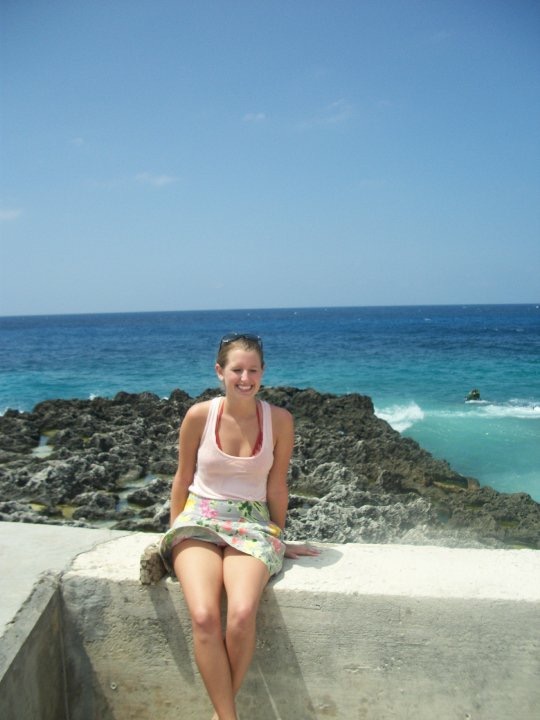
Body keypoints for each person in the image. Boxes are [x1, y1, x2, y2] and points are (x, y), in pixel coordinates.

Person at [159, 332, 319, 720]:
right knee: (204, 616)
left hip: (252, 523)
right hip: (199, 519)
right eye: (236, 370)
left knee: (243, 614)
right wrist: (172, 533)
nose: (245, 378)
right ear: (220, 371)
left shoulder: (280, 420)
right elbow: (182, 478)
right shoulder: (199, 415)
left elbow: (277, 485)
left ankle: (221, 714)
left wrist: (278, 538)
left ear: (263, 372)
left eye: (253, 370)